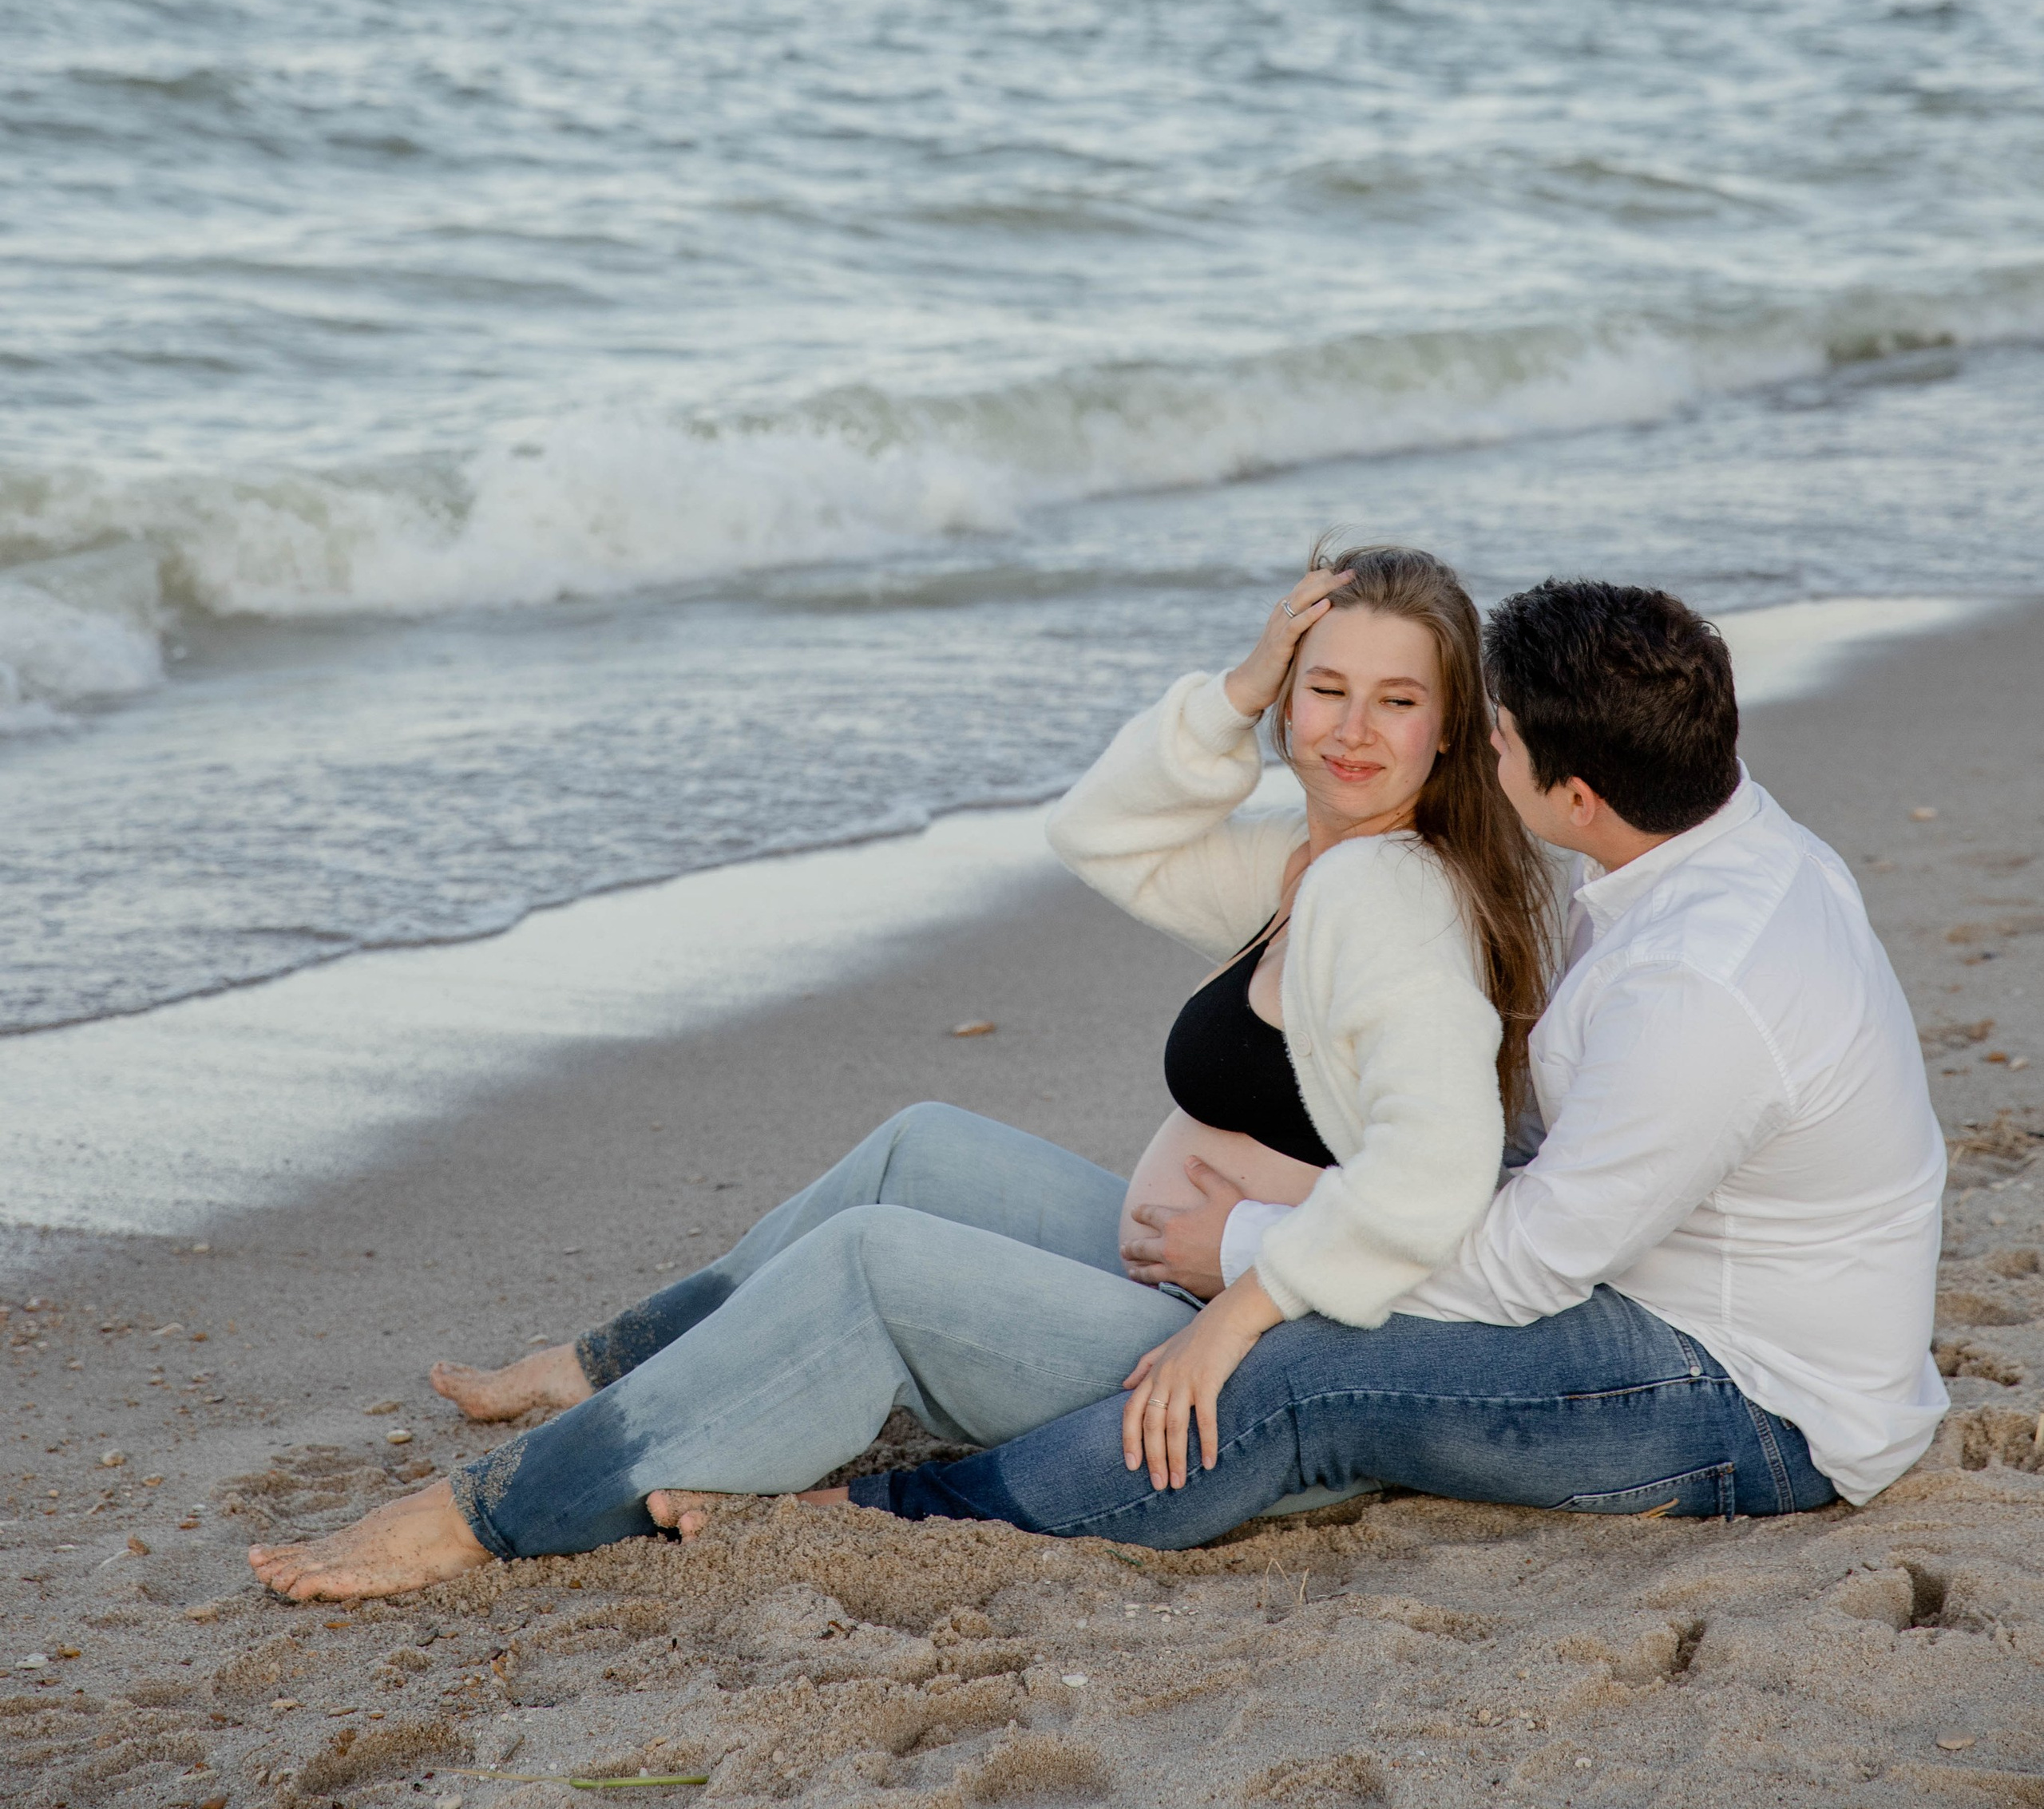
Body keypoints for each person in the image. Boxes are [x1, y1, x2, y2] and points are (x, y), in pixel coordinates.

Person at [248, 543, 1555, 1601]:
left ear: (1449, 732)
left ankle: (491, 1517)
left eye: (1398, 701)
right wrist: (1231, 688)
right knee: (922, 1142)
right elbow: (1100, 833)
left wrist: (1239, 1302)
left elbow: (1438, 1176)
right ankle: (606, 1360)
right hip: (1193, 1290)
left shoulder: (1390, 900)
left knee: (872, 1263)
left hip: (1238, 1375)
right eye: (1325, 690)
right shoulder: (1313, 863)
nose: (1354, 731)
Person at [842, 580, 1949, 1541]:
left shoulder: (1697, 989)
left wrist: (1249, 1257)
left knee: (1310, 1375)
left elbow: (1529, 1267)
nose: (1482, 746)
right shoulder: (1715, 836)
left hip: (1750, 1396)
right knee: (1342, 1270)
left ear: (1577, 797)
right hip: (1671, 1268)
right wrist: (1348, 1206)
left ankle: (916, 1515)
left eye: (1501, 736)